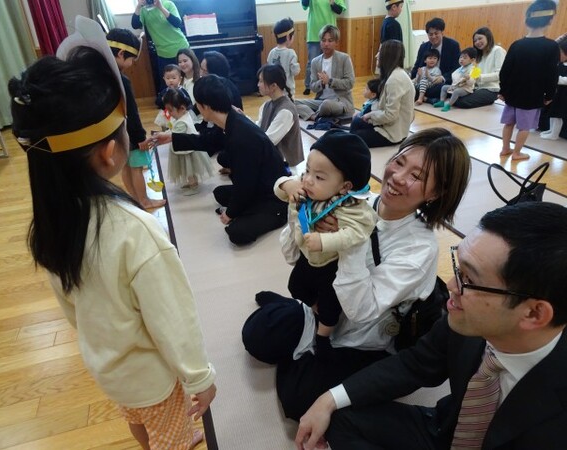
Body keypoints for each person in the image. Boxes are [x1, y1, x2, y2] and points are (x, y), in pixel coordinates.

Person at [9, 17, 215, 449]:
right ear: (109, 152)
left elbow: (73, 310)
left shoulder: (51, 222)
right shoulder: (136, 233)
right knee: (173, 436)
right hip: (151, 378)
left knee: (136, 421)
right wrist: (201, 378)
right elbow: (174, 320)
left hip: (108, 370)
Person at [295, 202, 567, 450]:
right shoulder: (464, 320)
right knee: (337, 417)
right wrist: (329, 399)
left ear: (534, 313)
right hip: (446, 430)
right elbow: (414, 364)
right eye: (458, 269)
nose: (450, 285)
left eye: (469, 279)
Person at [242, 128, 471, 421]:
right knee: (257, 335)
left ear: (436, 193)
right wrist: (300, 211)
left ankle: (308, 349)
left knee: (298, 399)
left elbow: (361, 311)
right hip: (325, 306)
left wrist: (349, 240)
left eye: (417, 176)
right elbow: (294, 256)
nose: (398, 177)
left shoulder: (418, 249)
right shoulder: (357, 201)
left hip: (363, 336)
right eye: (399, 162)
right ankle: (303, 337)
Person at [147, 75, 289, 246]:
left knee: (236, 233)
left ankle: (269, 215)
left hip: (273, 196)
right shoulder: (230, 120)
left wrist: (230, 213)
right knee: (220, 193)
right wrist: (171, 137)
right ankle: (247, 209)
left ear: (206, 106)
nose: (196, 108)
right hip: (258, 185)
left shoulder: (241, 136)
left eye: (198, 104)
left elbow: (245, 184)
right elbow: (208, 142)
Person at [279, 130, 376, 357]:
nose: (308, 179)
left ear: (345, 187)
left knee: (330, 307)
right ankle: (316, 310)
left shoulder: (351, 206)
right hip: (307, 258)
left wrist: (325, 240)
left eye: (319, 177)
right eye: (307, 171)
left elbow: (358, 233)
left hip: (330, 266)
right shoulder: (307, 188)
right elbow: (279, 186)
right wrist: (287, 185)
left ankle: (323, 336)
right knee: (295, 287)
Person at [107, 28, 166, 210]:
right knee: (137, 167)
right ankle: (144, 200)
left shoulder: (104, 74)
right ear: (121, 53)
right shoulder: (121, 80)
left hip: (116, 132)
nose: (132, 64)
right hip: (130, 133)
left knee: (126, 166)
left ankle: (135, 199)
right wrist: (140, 137)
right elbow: (131, 112)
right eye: (132, 59)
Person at [499, 0, 559, 161]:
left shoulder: (517, 45)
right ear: (550, 20)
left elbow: (505, 71)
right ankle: (517, 153)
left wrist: (503, 91)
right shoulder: (551, 47)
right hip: (532, 96)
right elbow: (552, 75)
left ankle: (505, 148)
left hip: (512, 95)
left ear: (527, 20)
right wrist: (549, 95)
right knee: (525, 127)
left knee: (509, 123)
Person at [350, 39, 414, 148]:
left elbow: (391, 115)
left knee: (354, 136)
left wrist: (370, 115)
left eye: (379, 52)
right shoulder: (394, 74)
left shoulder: (395, 79)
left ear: (387, 56)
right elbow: (383, 106)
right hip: (390, 125)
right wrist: (366, 114)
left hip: (393, 133)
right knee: (356, 122)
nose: (376, 56)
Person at [295, 25, 355, 121]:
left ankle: (315, 114)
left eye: (330, 41)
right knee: (293, 102)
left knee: (326, 105)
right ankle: (315, 117)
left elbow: (350, 83)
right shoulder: (315, 62)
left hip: (340, 102)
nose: (326, 44)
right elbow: (313, 87)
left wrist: (330, 81)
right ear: (320, 42)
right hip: (321, 101)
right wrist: (321, 83)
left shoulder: (344, 58)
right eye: (323, 40)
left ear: (336, 42)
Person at [162, 87, 215, 193]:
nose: (169, 113)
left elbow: (175, 135)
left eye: (171, 110)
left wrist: (164, 135)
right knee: (188, 170)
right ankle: (192, 182)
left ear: (182, 108)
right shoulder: (184, 115)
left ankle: (193, 185)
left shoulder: (182, 122)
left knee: (188, 169)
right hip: (185, 149)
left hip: (187, 152)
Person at [131, 0, 189, 92]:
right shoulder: (143, 10)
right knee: (166, 83)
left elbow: (177, 23)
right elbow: (135, 25)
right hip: (163, 53)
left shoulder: (168, 4)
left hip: (180, 49)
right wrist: (138, 6)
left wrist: (160, 7)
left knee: (185, 79)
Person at [256, 64, 304, 173]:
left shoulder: (285, 111)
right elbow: (258, 129)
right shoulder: (266, 105)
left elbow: (268, 141)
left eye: (261, 81)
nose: (258, 84)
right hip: (270, 159)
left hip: (285, 167)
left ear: (274, 86)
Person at [301, 0, 347, 96]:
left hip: (330, 35)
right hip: (314, 33)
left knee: (331, 61)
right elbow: (304, 5)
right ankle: (308, 86)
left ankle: (330, 83)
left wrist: (332, 3)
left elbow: (339, 10)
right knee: (311, 62)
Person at [454, 27, 507, 109]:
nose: (477, 42)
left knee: (462, 102)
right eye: (475, 41)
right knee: (454, 95)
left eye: (480, 38)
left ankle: (488, 99)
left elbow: (500, 74)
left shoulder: (497, 50)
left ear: (488, 37)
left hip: (492, 89)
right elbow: (475, 75)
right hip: (478, 88)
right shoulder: (478, 55)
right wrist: (466, 79)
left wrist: (480, 77)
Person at [410, 17, 461, 102]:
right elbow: (417, 66)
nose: (433, 36)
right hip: (424, 81)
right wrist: (412, 79)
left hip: (441, 82)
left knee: (444, 88)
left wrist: (443, 78)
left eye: (436, 33)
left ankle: (423, 96)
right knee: (409, 85)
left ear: (442, 32)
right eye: (430, 34)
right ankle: (427, 97)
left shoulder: (453, 45)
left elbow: (457, 68)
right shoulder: (423, 47)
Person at [540, 33, 567, 140]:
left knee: (557, 115)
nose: (559, 55)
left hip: (563, 95)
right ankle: (551, 130)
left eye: (561, 53)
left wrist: (556, 79)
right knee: (552, 112)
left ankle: (554, 134)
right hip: (557, 92)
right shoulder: (559, 64)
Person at [433, 47, 477, 112]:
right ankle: (441, 101)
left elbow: (472, 83)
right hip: (457, 86)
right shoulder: (460, 68)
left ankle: (449, 105)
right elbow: (454, 76)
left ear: (472, 60)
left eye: (465, 58)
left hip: (467, 89)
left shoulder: (475, 69)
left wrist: (468, 78)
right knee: (444, 87)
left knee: (456, 92)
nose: (461, 59)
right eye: (460, 57)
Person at [267, 17, 301, 98]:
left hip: (274, 92)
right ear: (288, 37)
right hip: (287, 93)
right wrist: (297, 66)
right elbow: (295, 72)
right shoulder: (291, 53)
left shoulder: (271, 52)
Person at [154, 63, 184, 129]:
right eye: (167, 78)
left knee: (178, 126)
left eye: (174, 78)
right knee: (164, 126)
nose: (171, 80)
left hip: (178, 114)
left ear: (180, 79)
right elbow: (157, 102)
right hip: (166, 114)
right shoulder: (164, 91)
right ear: (164, 79)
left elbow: (188, 102)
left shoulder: (182, 91)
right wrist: (162, 100)